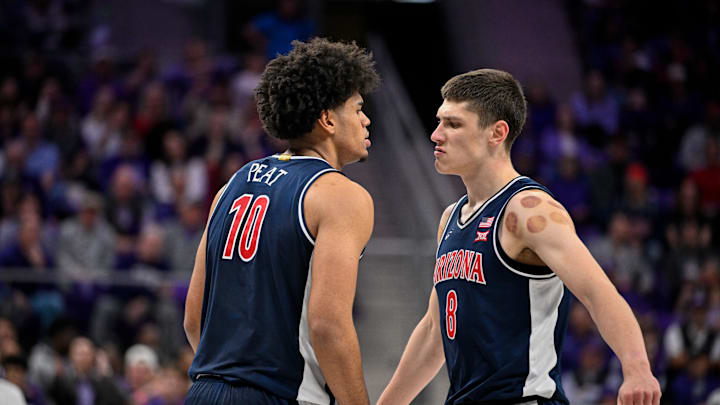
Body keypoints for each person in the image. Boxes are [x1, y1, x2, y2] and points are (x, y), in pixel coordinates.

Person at [377, 69, 660, 405]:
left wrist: (637, 368)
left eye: (453, 124)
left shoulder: (528, 210)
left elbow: (598, 292)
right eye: (439, 122)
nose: (436, 135)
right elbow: (432, 334)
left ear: (497, 133)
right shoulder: (449, 219)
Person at [183, 38, 379, 405]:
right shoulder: (340, 194)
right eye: (358, 108)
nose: (366, 119)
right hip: (280, 394)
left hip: (204, 390)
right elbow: (328, 326)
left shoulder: (233, 184)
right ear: (328, 119)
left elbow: (194, 319)